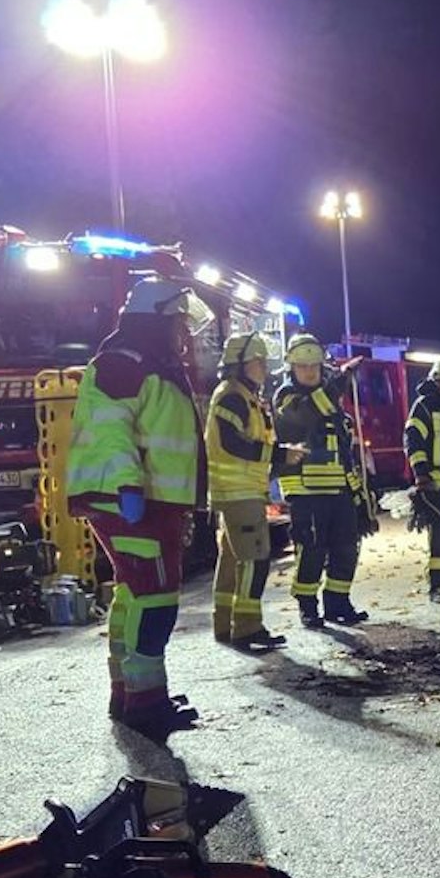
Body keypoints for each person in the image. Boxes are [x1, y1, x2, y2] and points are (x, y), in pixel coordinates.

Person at [64, 275, 211, 735]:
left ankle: (131, 694)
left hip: (149, 500)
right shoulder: (125, 363)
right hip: (133, 500)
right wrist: (128, 484)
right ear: (155, 320)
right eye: (177, 322)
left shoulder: (144, 360)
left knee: (134, 592)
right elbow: (109, 427)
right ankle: (146, 705)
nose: (183, 332)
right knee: (156, 597)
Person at [273, 335, 369, 627]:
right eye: (303, 366)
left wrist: (359, 493)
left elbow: (343, 449)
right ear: (292, 367)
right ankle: (308, 606)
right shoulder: (287, 397)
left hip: (338, 488)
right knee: (311, 550)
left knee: (345, 548)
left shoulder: (332, 401)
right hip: (305, 490)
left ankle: (338, 603)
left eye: (314, 365)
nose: (309, 371)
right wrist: (339, 381)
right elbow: (307, 414)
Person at [205, 331, 286, 651]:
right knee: (255, 559)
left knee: (230, 561)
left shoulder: (241, 395)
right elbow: (234, 443)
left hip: (236, 491)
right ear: (240, 364)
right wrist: (279, 455)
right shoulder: (234, 397)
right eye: (258, 362)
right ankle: (248, 628)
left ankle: (224, 624)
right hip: (238, 491)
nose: (264, 368)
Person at [404, 355, 440, 601]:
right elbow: (413, 438)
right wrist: (421, 473)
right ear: (438, 381)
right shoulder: (425, 405)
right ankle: (437, 586)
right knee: (439, 536)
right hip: (436, 484)